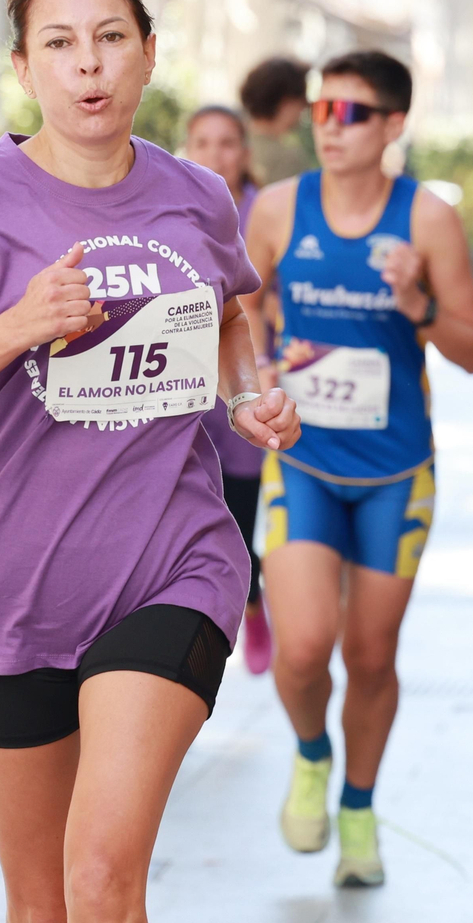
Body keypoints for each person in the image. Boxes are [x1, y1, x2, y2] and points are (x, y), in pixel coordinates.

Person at [0, 0, 301, 923]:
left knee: (103, 876)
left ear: (148, 56)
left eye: (110, 39)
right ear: (23, 69)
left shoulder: (197, 196)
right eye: (59, 44)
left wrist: (247, 396)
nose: (89, 66)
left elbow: (229, 312)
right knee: (43, 900)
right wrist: (18, 324)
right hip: (2, 597)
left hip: (170, 563)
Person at [245, 50, 473, 888]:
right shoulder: (279, 209)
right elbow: (237, 314)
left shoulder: (426, 220)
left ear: (392, 126)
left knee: (372, 656)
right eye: (321, 109)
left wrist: (419, 304)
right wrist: (260, 371)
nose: (328, 126)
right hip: (304, 462)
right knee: (304, 648)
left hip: (395, 472)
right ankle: (313, 752)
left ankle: (357, 801)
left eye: (350, 113)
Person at [183, 104, 275, 675]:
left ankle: (253, 597)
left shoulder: (265, 212)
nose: (216, 154)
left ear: (244, 151)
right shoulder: (167, 209)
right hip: (185, 393)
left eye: (227, 143)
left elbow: (270, 300)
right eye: (203, 142)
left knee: (239, 522)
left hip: (247, 385)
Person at [239, 57, 312, 186]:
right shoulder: (288, 159)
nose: (304, 108)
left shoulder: (229, 143)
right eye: (302, 100)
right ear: (286, 101)